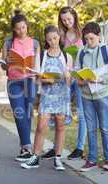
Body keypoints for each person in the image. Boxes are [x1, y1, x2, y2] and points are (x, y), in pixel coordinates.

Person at [21, 25, 72, 170]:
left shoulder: (67, 56)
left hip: (62, 95)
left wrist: (68, 77)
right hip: (47, 95)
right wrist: (45, 80)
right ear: (46, 40)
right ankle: (35, 157)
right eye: (49, 39)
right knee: (41, 126)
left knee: (60, 126)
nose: (53, 41)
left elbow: (70, 81)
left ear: (59, 37)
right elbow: (36, 78)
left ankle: (58, 158)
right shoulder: (41, 55)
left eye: (55, 38)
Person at [42, 6, 86, 160]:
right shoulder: (61, 35)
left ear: (75, 16)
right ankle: (55, 148)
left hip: (79, 78)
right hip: (65, 79)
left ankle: (79, 148)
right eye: (63, 20)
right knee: (59, 112)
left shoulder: (83, 34)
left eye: (69, 19)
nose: (67, 22)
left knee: (81, 112)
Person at [77, 22, 108, 172]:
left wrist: (99, 80)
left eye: (91, 39)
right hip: (86, 96)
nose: (89, 42)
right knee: (90, 129)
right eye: (86, 39)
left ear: (99, 36)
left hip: (102, 96)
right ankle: (92, 160)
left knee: (105, 128)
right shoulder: (81, 52)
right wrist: (81, 80)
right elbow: (77, 73)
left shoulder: (107, 50)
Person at [1, 10, 40, 162]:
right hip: (14, 81)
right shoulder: (8, 43)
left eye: (23, 27)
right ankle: (27, 146)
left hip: (30, 80)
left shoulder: (35, 43)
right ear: (13, 29)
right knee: (19, 113)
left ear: (27, 26)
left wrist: (35, 73)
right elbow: (4, 66)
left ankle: (25, 149)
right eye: (17, 28)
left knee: (28, 114)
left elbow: (37, 66)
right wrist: (8, 62)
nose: (20, 31)